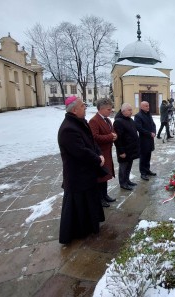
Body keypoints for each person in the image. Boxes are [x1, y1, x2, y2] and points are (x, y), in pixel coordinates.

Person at [57, 96, 107, 244]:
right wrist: (97, 159)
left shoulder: (80, 123)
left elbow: (91, 142)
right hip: (77, 175)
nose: (85, 107)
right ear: (74, 109)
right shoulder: (68, 129)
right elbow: (81, 151)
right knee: (78, 204)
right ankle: (79, 231)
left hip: (86, 173)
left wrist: (98, 153)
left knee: (89, 201)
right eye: (82, 105)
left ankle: (90, 226)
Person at [89, 98, 117, 207]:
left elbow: (112, 131)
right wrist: (110, 136)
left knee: (105, 175)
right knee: (100, 176)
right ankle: (100, 198)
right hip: (100, 153)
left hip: (107, 152)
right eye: (109, 109)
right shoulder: (94, 121)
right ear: (101, 109)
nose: (111, 111)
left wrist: (115, 136)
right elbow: (94, 137)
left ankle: (105, 195)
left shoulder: (108, 120)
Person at [113, 103, 140, 190]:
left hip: (131, 149)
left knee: (129, 166)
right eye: (129, 110)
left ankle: (127, 180)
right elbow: (118, 139)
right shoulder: (118, 121)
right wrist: (121, 152)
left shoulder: (129, 119)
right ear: (123, 111)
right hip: (124, 150)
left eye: (131, 110)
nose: (131, 112)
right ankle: (123, 183)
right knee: (123, 168)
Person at [134, 101, 157, 181]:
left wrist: (154, 132)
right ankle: (143, 173)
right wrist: (149, 133)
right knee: (143, 157)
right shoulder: (138, 116)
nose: (148, 107)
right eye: (146, 106)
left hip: (150, 139)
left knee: (148, 156)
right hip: (143, 140)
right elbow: (139, 128)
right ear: (141, 107)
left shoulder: (148, 114)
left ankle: (147, 170)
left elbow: (153, 124)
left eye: (148, 105)